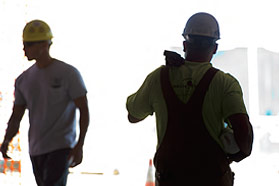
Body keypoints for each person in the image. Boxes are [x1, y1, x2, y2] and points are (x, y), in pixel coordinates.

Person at [126, 12, 253, 186]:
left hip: (170, 179)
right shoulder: (225, 83)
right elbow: (244, 134)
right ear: (214, 49)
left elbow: (133, 116)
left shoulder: (158, 78)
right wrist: (233, 157)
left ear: (185, 45)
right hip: (212, 179)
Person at [0, 20, 89, 186]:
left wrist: (79, 145)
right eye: (24, 44)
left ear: (44, 45)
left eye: (28, 44)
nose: (24, 49)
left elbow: (83, 109)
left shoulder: (68, 74)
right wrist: (6, 140)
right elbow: (17, 115)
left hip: (61, 147)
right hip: (36, 150)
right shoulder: (23, 80)